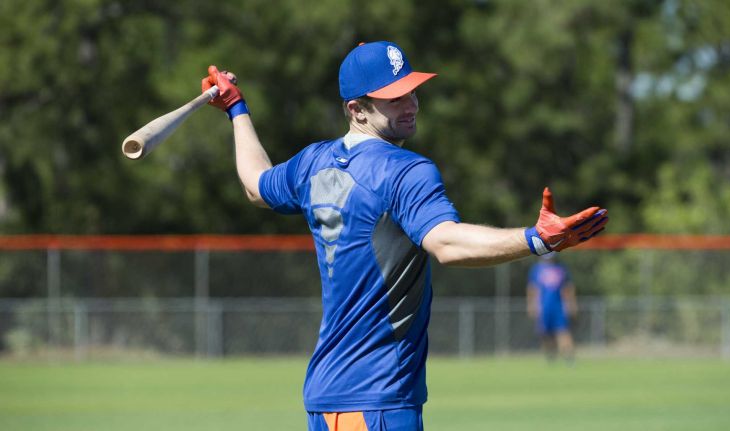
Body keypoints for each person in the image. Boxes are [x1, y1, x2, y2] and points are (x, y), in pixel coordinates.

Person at [202, 41, 608, 431]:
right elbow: (445, 243)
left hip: (330, 394)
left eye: (411, 92)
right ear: (357, 110)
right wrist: (536, 240)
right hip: (377, 398)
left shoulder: (312, 161)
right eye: (394, 98)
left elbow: (255, 185)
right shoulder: (405, 170)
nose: (411, 104)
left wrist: (237, 109)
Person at [526, 253, 578, 363]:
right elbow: (532, 288)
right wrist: (531, 305)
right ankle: (551, 357)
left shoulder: (561, 268)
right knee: (545, 334)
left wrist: (571, 304)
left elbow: (568, 288)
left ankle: (569, 358)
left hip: (558, 307)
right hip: (543, 307)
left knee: (563, 331)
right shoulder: (536, 270)